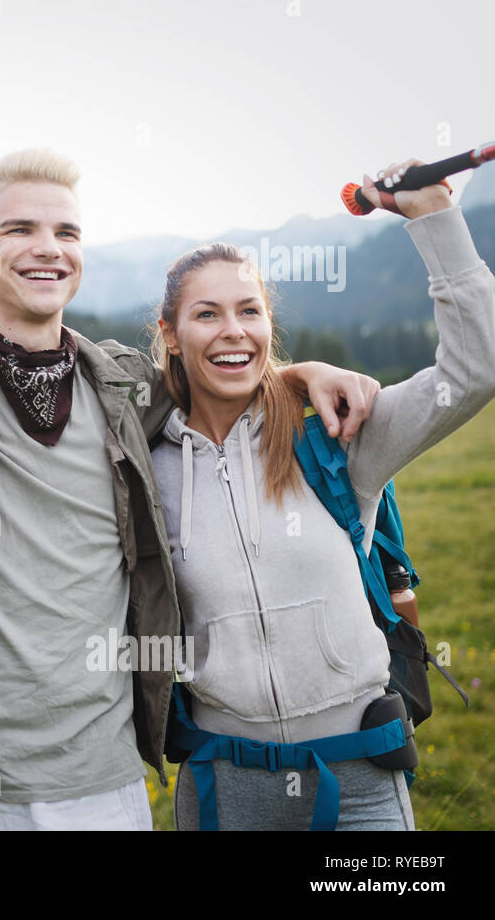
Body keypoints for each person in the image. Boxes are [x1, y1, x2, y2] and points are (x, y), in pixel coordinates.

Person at [0, 108, 381, 830]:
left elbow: (224, 363)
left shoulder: (128, 387)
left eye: (66, 233)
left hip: (104, 785)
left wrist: (300, 373)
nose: (48, 249)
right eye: (20, 231)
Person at [149, 160, 495, 830]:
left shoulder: (334, 434)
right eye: (206, 314)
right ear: (170, 332)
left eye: (250, 311)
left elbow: (475, 369)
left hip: (358, 777)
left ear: (268, 326)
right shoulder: (143, 460)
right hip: (222, 783)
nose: (233, 331)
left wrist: (433, 217)